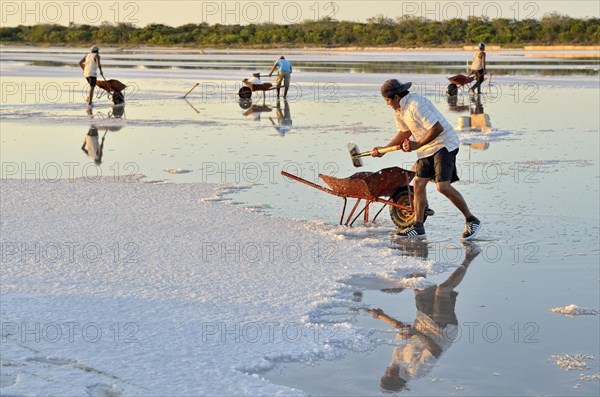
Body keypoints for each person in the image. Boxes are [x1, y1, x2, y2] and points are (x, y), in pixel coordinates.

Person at [372, 79, 482, 240]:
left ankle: (472, 220)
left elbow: (437, 128)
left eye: (387, 100)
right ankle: (418, 226)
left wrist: (416, 144)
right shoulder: (399, 110)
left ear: (396, 97)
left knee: (442, 187)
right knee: (418, 183)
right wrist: (384, 149)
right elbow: (404, 132)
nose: (387, 104)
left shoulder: (416, 105)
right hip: (427, 148)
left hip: (444, 144)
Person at [370, 242, 481, 392]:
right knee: (442, 290)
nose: (386, 370)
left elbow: (402, 330)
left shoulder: (396, 359)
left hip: (423, 320)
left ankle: (418, 246)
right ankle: (470, 256)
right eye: (387, 374)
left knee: (418, 283)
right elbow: (435, 350)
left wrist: (382, 316)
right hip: (442, 330)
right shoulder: (415, 372)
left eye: (385, 373)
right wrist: (415, 333)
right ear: (396, 379)